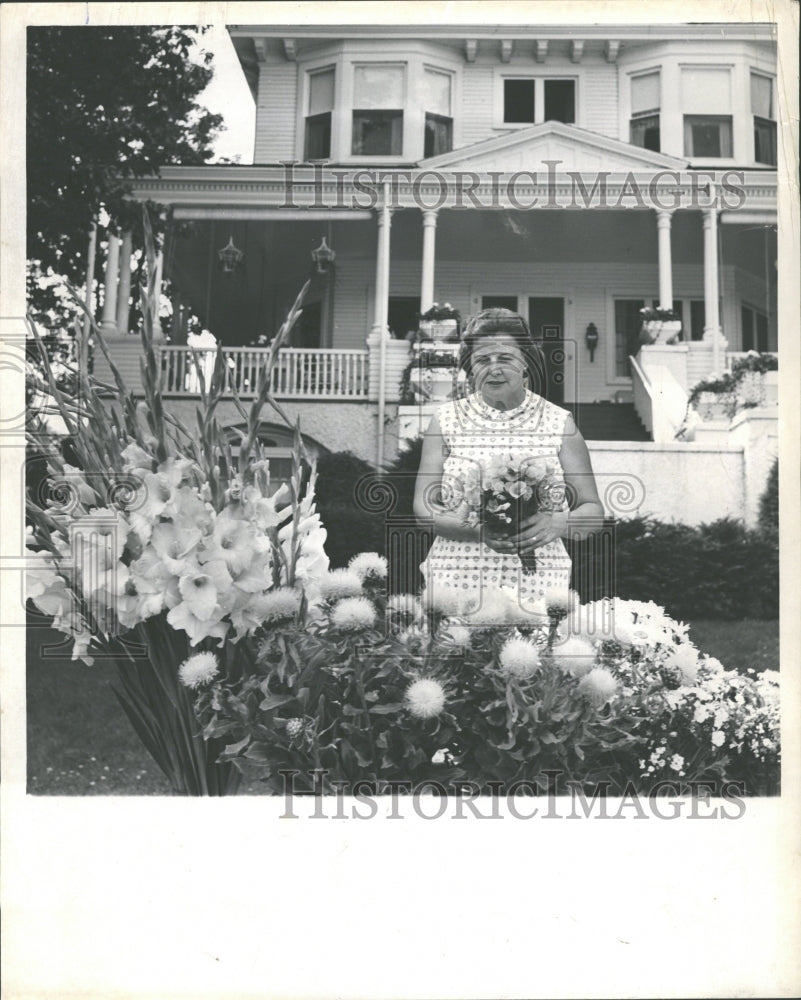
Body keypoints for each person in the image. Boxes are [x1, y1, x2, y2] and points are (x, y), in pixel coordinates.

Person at [413, 308, 604, 616]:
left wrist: (560, 521)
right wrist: (476, 532)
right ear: (470, 368)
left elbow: (593, 513)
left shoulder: (559, 423)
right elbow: (423, 510)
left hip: (536, 581)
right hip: (458, 575)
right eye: (482, 361)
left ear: (526, 362)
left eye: (505, 359)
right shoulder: (445, 420)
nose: (494, 369)